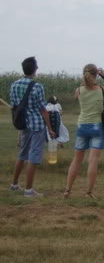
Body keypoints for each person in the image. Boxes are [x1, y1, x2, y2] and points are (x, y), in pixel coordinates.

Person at [63, 64, 104, 199]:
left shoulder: (78, 90)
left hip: (82, 126)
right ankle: (88, 193)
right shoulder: (101, 89)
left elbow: (83, 88)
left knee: (76, 160)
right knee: (93, 161)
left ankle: (67, 190)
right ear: (96, 75)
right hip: (97, 127)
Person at [8, 57, 55, 197]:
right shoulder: (37, 86)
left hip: (22, 123)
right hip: (36, 125)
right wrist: (50, 128)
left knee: (22, 154)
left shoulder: (14, 85)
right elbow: (43, 110)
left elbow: (14, 105)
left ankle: (14, 184)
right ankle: (29, 190)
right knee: (33, 157)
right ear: (34, 69)